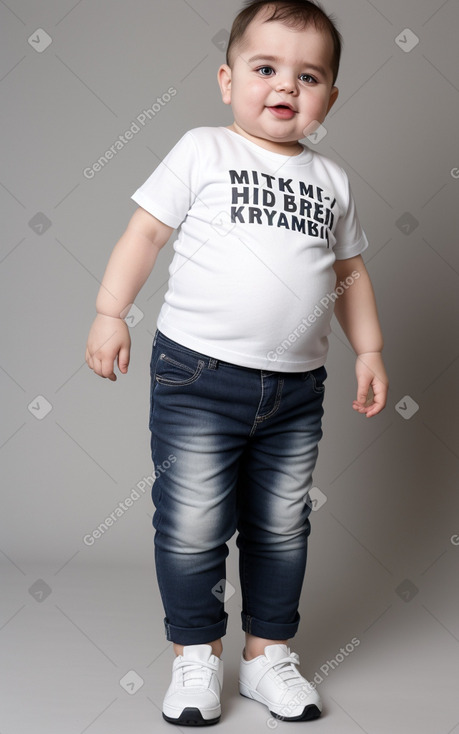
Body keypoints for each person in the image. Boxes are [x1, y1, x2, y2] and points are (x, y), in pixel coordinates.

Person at [85, 0, 389, 726]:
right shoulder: (202, 150)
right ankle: (195, 657)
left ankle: (265, 657)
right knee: (191, 523)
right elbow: (144, 232)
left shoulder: (333, 182)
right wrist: (108, 310)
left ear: (329, 97)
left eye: (307, 75)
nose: (284, 86)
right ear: (227, 79)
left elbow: (350, 274)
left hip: (295, 390)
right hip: (196, 377)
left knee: (282, 525)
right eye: (264, 68)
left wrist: (370, 350)